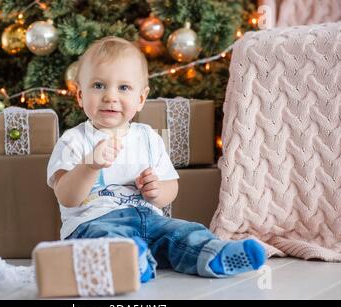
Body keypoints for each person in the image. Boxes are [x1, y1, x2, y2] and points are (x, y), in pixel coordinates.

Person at [47, 36, 266, 282]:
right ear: (79, 95)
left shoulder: (148, 137)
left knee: (183, 231)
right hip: (94, 223)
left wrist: (156, 190)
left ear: (141, 99)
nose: (110, 96)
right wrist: (90, 165)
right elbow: (67, 196)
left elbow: (171, 186)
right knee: (104, 240)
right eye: (98, 86)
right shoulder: (73, 140)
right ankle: (129, 262)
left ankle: (214, 254)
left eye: (123, 88)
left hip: (150, 220)